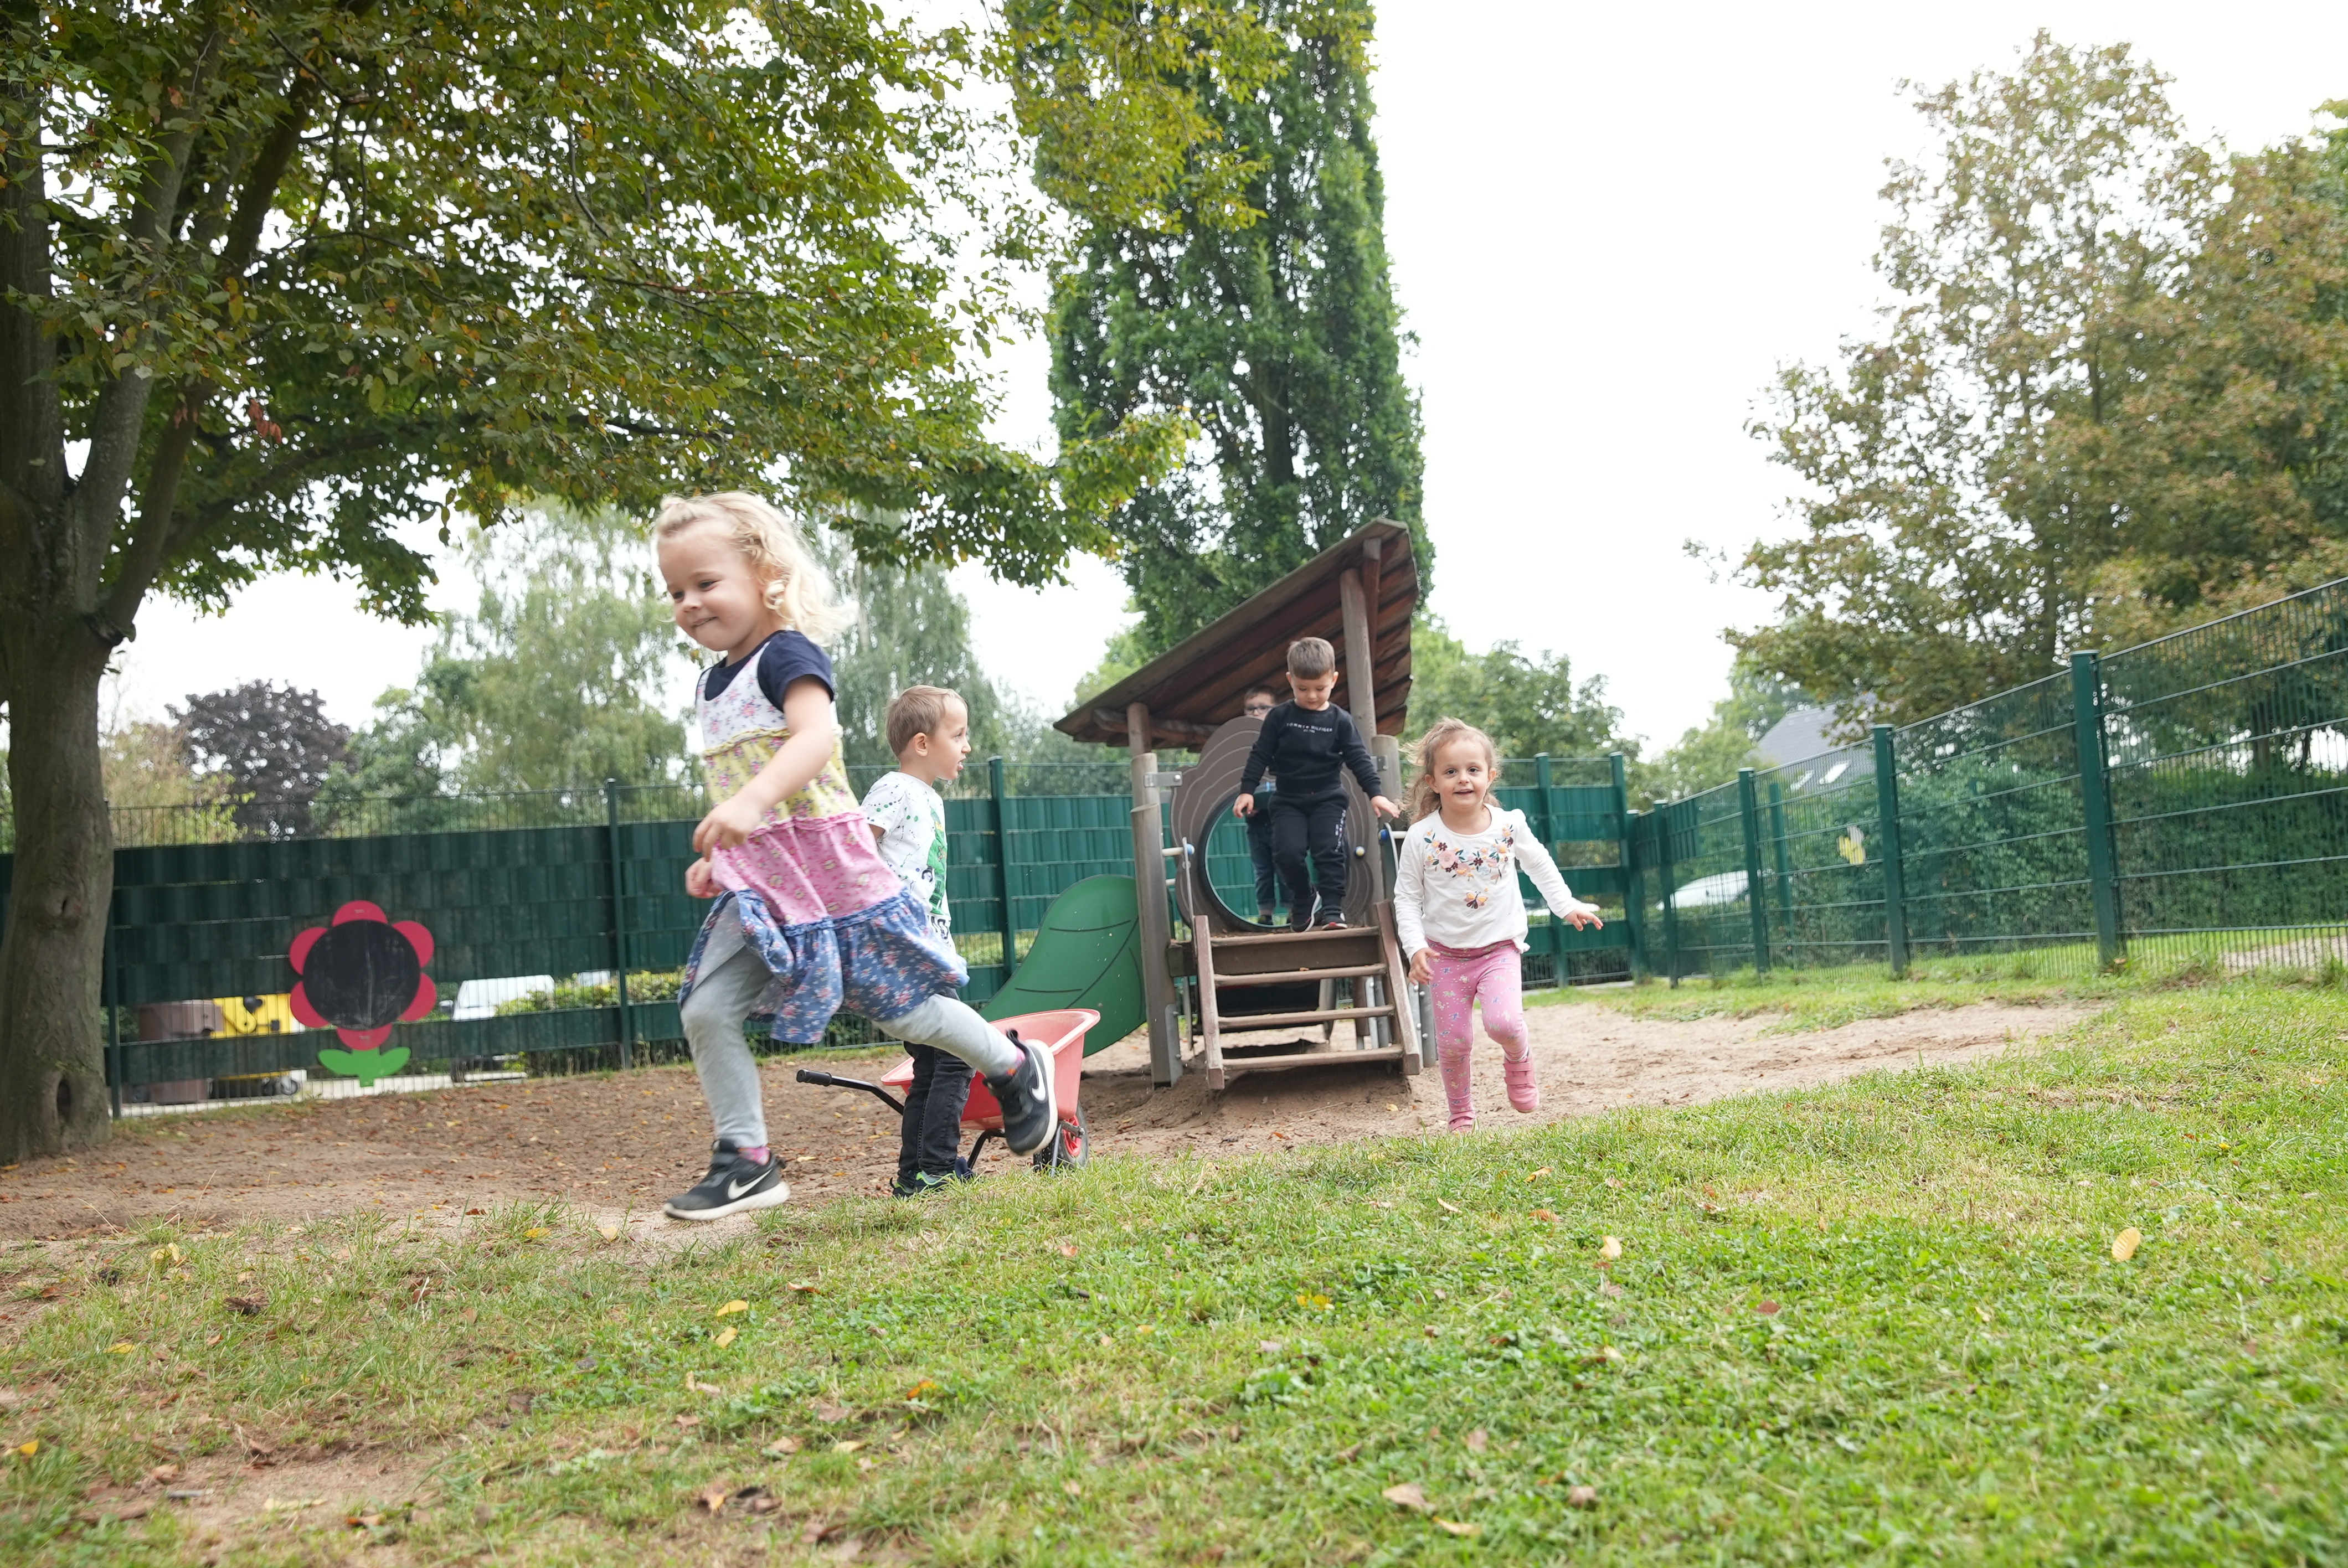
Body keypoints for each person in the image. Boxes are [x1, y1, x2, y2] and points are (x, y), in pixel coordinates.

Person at [652, 493, 1057, 1220]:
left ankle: (1015, 1067)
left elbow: (814, 741)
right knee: (707, 1008)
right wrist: (729, 850)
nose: (688, 602)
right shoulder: (709, 685)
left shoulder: (788, 655)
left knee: (907, 1015)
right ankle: (745, 1158)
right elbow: (747, 786)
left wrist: (748, 806)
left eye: (706, 583)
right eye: (675, 590)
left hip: (832, 878)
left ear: (766, 575)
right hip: (764, 886)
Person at [1393, 717, 1603, 1131]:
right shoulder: (1420, 837)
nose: (1463, 779)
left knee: (1504, 1024)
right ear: (1433, 781)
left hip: (1499, 951)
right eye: (1451, 772)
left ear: (1490, 776)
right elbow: (1407, 898)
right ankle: (1461, 1113)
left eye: (1473, 770)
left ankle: (1519, 1058)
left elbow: (1539, 864)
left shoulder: (1510, 825)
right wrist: (1415, 948)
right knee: (1454, 1044)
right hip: (1445, 956)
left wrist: (1566, 906)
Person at [862, 685, 980, 1197]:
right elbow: (858, 853)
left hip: (928, 949)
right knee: (957, 1054)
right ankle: (935, 1168)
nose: (967, 746)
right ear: (922, 743)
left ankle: (916, 1174)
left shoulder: (928, 798)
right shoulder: (895, 789)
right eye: (958, 735)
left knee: (933, 1061)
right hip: (906, 951)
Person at [1233, 638, 1400, 930]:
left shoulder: (1340, 721)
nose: (1311, 696)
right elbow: (1260, 754)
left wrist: (1376, 794)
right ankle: (1304, 896)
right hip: (1288, 800)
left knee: (1330, 850)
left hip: (1328, 800)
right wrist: (1247, 790)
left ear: (1334, 680)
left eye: (1320, 689)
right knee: (1286, 852)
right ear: (1290, 681)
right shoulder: (1280, 718)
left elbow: (1359, 758)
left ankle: (1333, 910)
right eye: (1302, 689)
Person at [1239, 686, 1281, 924]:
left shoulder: (1281, 740)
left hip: (1281, 817)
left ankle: (1295, 911)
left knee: (1287, 867)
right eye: (1251, 709)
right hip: (1255, 822)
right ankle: (1266, 914)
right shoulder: (1242, 746)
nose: (1257, 713)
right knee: (1262, 871)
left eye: (1263, 708)